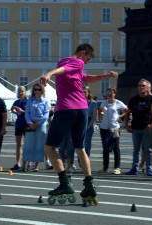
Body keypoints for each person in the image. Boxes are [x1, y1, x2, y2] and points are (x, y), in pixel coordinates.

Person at [40, 43, 118, 205]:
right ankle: (89, 185)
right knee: (80, 148)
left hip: (67, 109)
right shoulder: (74, 63)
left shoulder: (70, 63)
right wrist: (50, 73)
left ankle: (64, 183)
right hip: (81, 109)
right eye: (88, 58)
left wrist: (105, 76)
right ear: (82, 53)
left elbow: (84, 77)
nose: (87, 62)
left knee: (49, 148)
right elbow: (66, 71)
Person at [124, 79, 152, 176]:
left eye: (143, 85)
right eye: (139, 85)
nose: (141, 87)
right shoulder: (133, 99)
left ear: (147, 87)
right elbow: (127, 112)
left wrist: (151, 124)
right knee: (136, 150)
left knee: (148, 150)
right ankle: (134, 168)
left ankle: (149, 169)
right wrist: (126, 124)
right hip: (135, 128)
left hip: (147, 128)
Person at [98, 86, 127, 175]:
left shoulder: (118, 103)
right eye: (108, 92)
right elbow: (101, 111)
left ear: (115, 93)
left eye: (111, 92)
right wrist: (101, 113)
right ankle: (105, 167)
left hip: (115, 128)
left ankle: (117, 167)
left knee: (115, 147)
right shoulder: (103, 103)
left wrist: (120, 117)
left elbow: (127, 110)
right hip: (104, 128)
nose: (110, 94)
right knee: (105, 148)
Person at [22, 83, 50, 172]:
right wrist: (29, 123)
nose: (37, 91)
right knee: (28, 144)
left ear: (42, 91)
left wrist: (39, 123)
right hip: (31, 122)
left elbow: (46, 113)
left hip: (41, 123)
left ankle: (36, 165)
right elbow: (27, 113)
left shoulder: (45, 101)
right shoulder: (29, 101)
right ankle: (24, 165)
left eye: (39, 89)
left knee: (39, 145)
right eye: (35, 89)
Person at [10, 86, 27, 171]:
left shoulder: (27, 101)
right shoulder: (16, 101)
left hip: (26, 124)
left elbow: (29, 112)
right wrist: (14, 110)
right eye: (19, 91)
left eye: (22, 91)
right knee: (18, 144)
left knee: (27, 144)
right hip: (19, 124)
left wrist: (22, 111)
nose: (20, 93)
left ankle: (28, 163)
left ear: (25, 92)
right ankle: (18, 163)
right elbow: (12, 108)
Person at [83, 86, 98, 157]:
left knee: (87, 143)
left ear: (88, 93)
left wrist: (89, 126)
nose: (83, 93)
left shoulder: (93, 103)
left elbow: (94, 116)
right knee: (80, 143)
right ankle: (81, 159)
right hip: (81, 122)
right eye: (82, 92)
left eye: (85, 92)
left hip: (89, 122)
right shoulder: (79, 101)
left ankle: (87, 159)